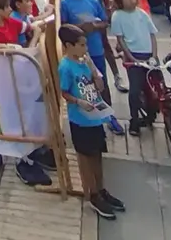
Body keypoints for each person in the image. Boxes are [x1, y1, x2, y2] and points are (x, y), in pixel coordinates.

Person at [57, 24, 124, 220]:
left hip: (95, 116)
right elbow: (64, 92)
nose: (85, 48)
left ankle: (101, 189)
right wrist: (79, 102)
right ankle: (92, 194)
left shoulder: (85, 62)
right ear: (69, 45)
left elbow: (100, 87)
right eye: (81, 45)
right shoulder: (66, 67)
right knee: (85, 158)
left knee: (97, 155)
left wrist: (94, 69)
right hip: (80, 119)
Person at [60, 0, 124, 135]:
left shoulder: (93, 1)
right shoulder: (65, 4)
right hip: (78, 53)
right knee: (84, 84)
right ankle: (91, 115)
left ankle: (110, 116)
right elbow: (64, 27)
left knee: (102, 82)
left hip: (95, 48)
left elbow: (104, 22)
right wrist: (80, 28)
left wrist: (94, 26)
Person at [108, 0, 157, 136]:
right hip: (133, 57)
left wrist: (154, 56)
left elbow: (152, 34)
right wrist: (130, 57)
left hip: (149, 56)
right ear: (119, 0)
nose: (132, 0)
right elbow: (121, 40)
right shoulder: (117, 16)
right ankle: (134, 120)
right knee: (135, 90)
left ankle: (155, 115)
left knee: (156, 87)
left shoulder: (142, 14)